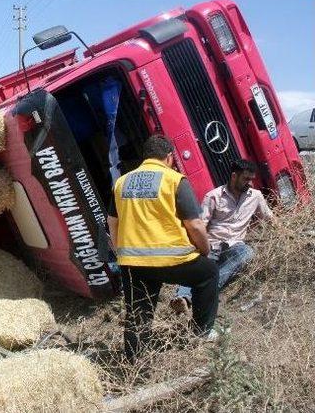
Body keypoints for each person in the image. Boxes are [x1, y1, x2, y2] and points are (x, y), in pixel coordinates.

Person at [107, 134, 219, 362]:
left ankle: (133, 360)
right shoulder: (175, 180)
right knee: (208, 273)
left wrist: (122, 253)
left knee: (138, 312)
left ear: (145, 157)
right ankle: (201, 333)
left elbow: (112, 222)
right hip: (174, 260)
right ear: (168, 157)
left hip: (134, 263)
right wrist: (205, 250)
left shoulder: (121, 182)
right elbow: (195, 225)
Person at [170, 159, 273, 314]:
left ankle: (203, 291)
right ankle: (181, 299)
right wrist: (198, 247)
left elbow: (269, 219)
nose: (249, 183)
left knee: (247, 253)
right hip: (212, 244)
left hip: (236, 246)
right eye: (246, 179)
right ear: (233, 176)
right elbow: (201, 225)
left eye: (251, 179)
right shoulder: (213, 196)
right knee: (199, 264)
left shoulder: (255, 196)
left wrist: (289, 234)